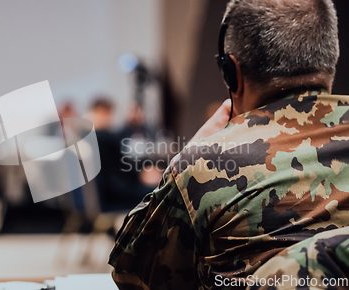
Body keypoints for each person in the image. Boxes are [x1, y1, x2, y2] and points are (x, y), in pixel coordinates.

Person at [109, 0, 349, 289]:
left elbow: (132, 277)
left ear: (231, 72)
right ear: (330, 58)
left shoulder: (203, 166)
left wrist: (185, 159)